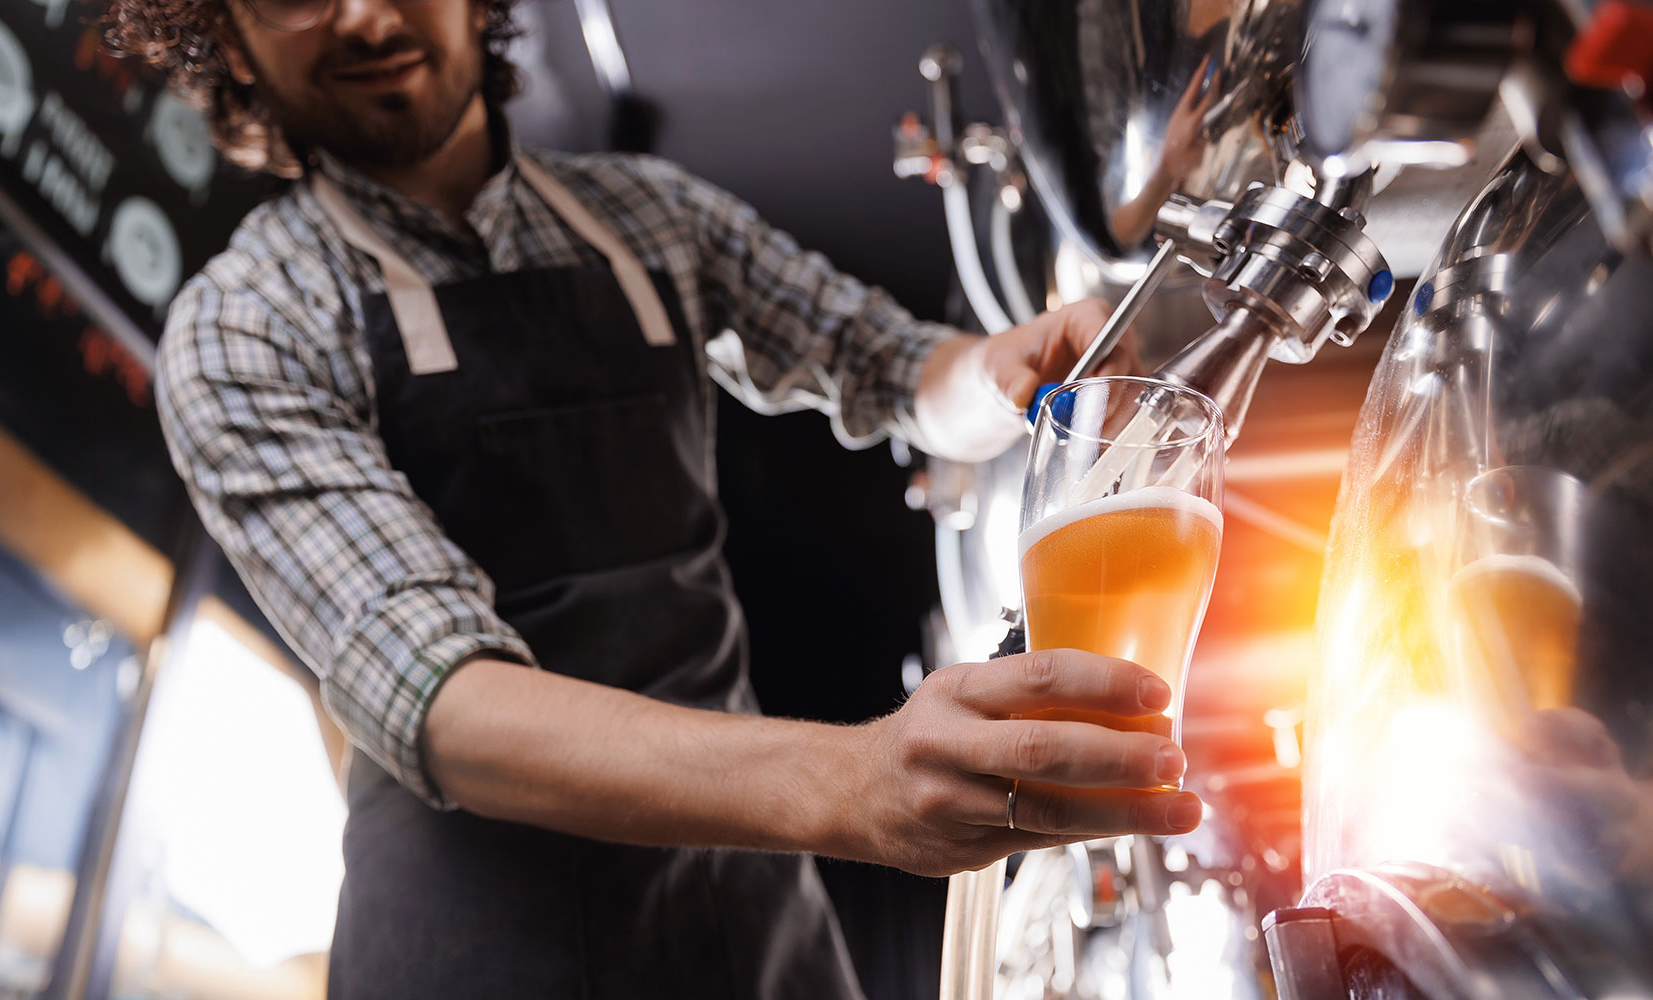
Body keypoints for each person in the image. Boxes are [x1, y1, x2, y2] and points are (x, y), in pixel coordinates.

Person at [108, 0, 1202, 994]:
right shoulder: (247, 322)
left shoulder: (647, 218)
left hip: (750, 925)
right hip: (475, 955)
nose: (360, 14)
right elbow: (449, 705)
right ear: (223, 37)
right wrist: (854, 781)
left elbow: (890, 369)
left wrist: (999, 372)